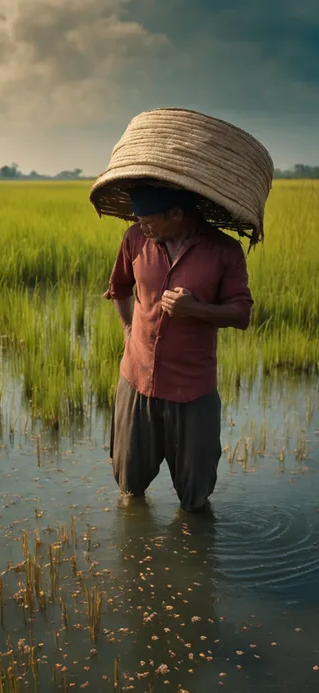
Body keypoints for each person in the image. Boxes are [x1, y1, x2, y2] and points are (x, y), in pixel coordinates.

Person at [104, 182, 253, 512]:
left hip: (192, 387)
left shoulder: (223, 251)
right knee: (129, 486)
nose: (141, 225)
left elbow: (242, 313)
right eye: (138, 218)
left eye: (148, 219)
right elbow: (119, 287)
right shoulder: (135, 239)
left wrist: (196, 310)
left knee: (196, 495)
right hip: (137, 379)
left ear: (175, 213)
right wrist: (129, 330)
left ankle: (194, 553)